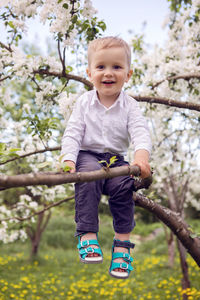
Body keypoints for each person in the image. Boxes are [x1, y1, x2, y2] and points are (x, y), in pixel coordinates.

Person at [61, 36, 152, 279]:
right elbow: (73, 133)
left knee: (124, 188)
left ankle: (122, 246)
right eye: (101, 67)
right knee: (89, 178)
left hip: (116, 160)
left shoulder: (130, 106)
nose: (108, 73)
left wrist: (141, 158)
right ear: (90, 73)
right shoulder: (84, 103)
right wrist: (69, 159)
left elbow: (140, 133)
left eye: (117, 67)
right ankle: (87, 234)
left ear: (129, 74)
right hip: (88, 155)